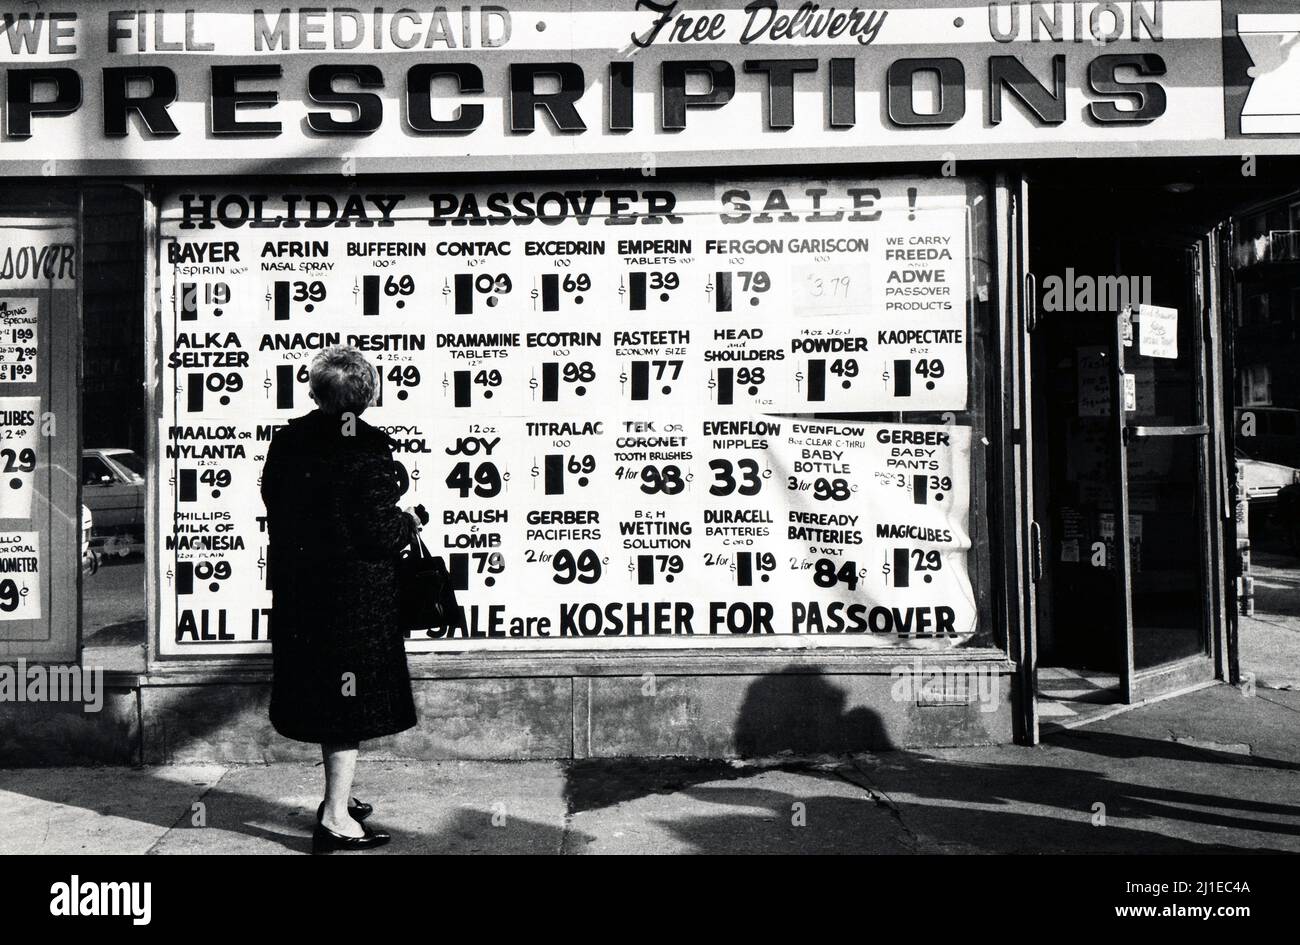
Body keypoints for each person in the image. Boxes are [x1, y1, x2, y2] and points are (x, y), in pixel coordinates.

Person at [260, 345, 426, 854]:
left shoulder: (288, 440)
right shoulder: (369, 445)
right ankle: (334, 817)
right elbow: (378, 527)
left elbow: (273, 500)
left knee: (329, 698)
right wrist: (410, 520)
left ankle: (341, 797)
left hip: (302, 593)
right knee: (347, 705)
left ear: (314, 391)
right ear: (368, 395)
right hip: (354, 601)